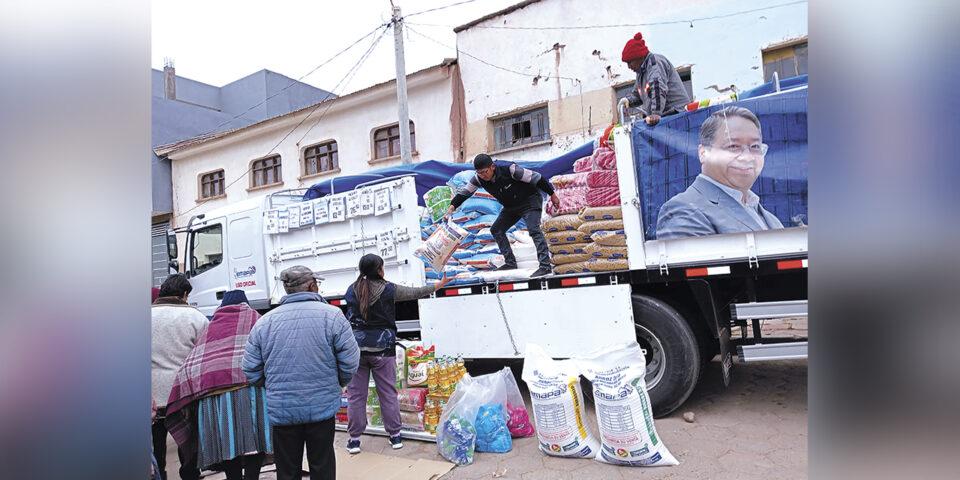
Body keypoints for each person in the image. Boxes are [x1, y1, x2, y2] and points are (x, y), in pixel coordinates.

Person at [243, 266, 360, 480]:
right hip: (321, 406)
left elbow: (251, 369)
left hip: (283, 408)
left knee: (287, 469)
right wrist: (336, 383)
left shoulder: (264, 323)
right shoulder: (333, 316)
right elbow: (350, 362)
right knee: (322, 464)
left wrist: (272, 386)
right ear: (312, 285)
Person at [343, 254, 452, 454]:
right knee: (388, 393)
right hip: (383, 349)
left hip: (356, 350)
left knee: (356, 396)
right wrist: (439, 284)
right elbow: (415, 292)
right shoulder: (388, 289)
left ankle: (354, 440)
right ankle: (395, 436)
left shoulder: (352, 290)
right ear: (379, 270)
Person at [164, 290, 272, 480]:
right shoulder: (258, 320)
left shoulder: (213, 326)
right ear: (246, 304)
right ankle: (252, 477)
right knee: (257, 440)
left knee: (226, 443)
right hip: (253, 391)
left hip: (215, 396)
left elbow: (194, 363)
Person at [656, 106, 785, 239]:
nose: (747, 157)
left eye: (755, 147)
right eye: (733, 146)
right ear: (703, 153)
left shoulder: (771, 219)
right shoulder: (684, 211)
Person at [444, 154, 559, 278]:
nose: (483, 176)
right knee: (496, 230)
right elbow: (465, 193)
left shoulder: (510, 169)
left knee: (534, 229)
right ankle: (510, 263)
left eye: (485, 172)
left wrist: (552, 194)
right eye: (479, 173)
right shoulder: (478, 178)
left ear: (492, 167)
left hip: (529, 200)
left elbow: (537, 178)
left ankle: (545, 266)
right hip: (511, 206)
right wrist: (452, 207)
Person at [152, 273, 208, 480]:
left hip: (152, 396)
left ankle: (160, 475)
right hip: (183, 394)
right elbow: (203, 357)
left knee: (157, 444)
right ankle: (190, 474)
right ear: (184, 294)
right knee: (188, 443)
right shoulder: (196, 317)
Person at [621, 32, 691, 126]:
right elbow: (638, 95)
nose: (629, 67)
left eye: (630, 62)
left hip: (677, 115)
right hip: (666, 118)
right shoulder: (641, 73)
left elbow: (658, 88)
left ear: (639, 56)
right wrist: (628, 101)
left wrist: (655, 113)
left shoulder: (655, 65)